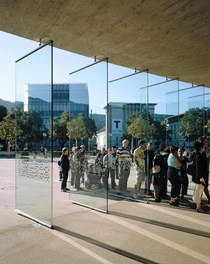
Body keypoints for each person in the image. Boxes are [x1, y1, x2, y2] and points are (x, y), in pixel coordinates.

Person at [192, 141, 208, 213]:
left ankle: (198, 205)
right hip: (200, 178)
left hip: (201, 177)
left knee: (199, 191)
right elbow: (198, 169)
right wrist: (201, 178)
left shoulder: (200, 154)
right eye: (204, 146)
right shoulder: (198, 156)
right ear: (200, 148)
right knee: (198, 192)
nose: (205, 148)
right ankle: (198, 207)